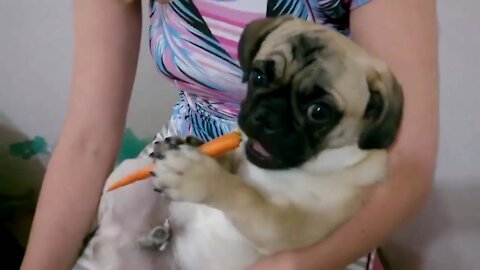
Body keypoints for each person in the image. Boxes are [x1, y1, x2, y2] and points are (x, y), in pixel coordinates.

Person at [21, 0, 439, 269]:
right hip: (189, 160)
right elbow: (87, 142)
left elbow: (407, 166)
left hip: (311, 200)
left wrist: (294, 263)